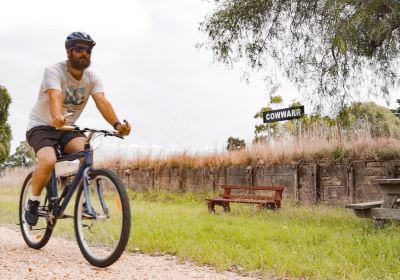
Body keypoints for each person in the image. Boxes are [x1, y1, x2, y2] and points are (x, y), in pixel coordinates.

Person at [24, 32, 131, 226]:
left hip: (67, 128)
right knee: (48, 160)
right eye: (79, 49)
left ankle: (83, 205)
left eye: (88, 50)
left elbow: (102, 101)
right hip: (41, 126)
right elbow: (55, 97)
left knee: (86, 152)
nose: (85, 53)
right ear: (68, 51)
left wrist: (117, 125)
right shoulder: (54, 71)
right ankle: (33, 202)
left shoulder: (92, 78)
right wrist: (57, 116)